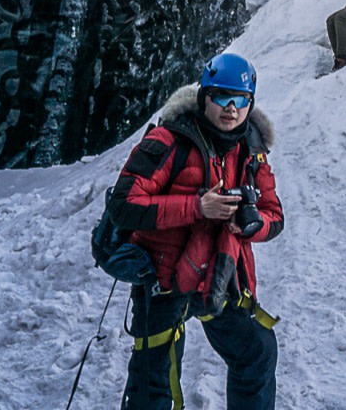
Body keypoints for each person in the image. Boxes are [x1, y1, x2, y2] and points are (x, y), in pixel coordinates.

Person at [107, 52, 284, 410]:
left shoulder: (252, 150)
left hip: (216, 274)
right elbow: (123, 204)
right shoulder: (167, 141)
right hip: (162, 278)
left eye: (241, 100)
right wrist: (197, 207)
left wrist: (251, 226)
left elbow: (274, 216)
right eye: (221, 96)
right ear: (204, 97)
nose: (230, 108)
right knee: (152, 387)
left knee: (257, 352)